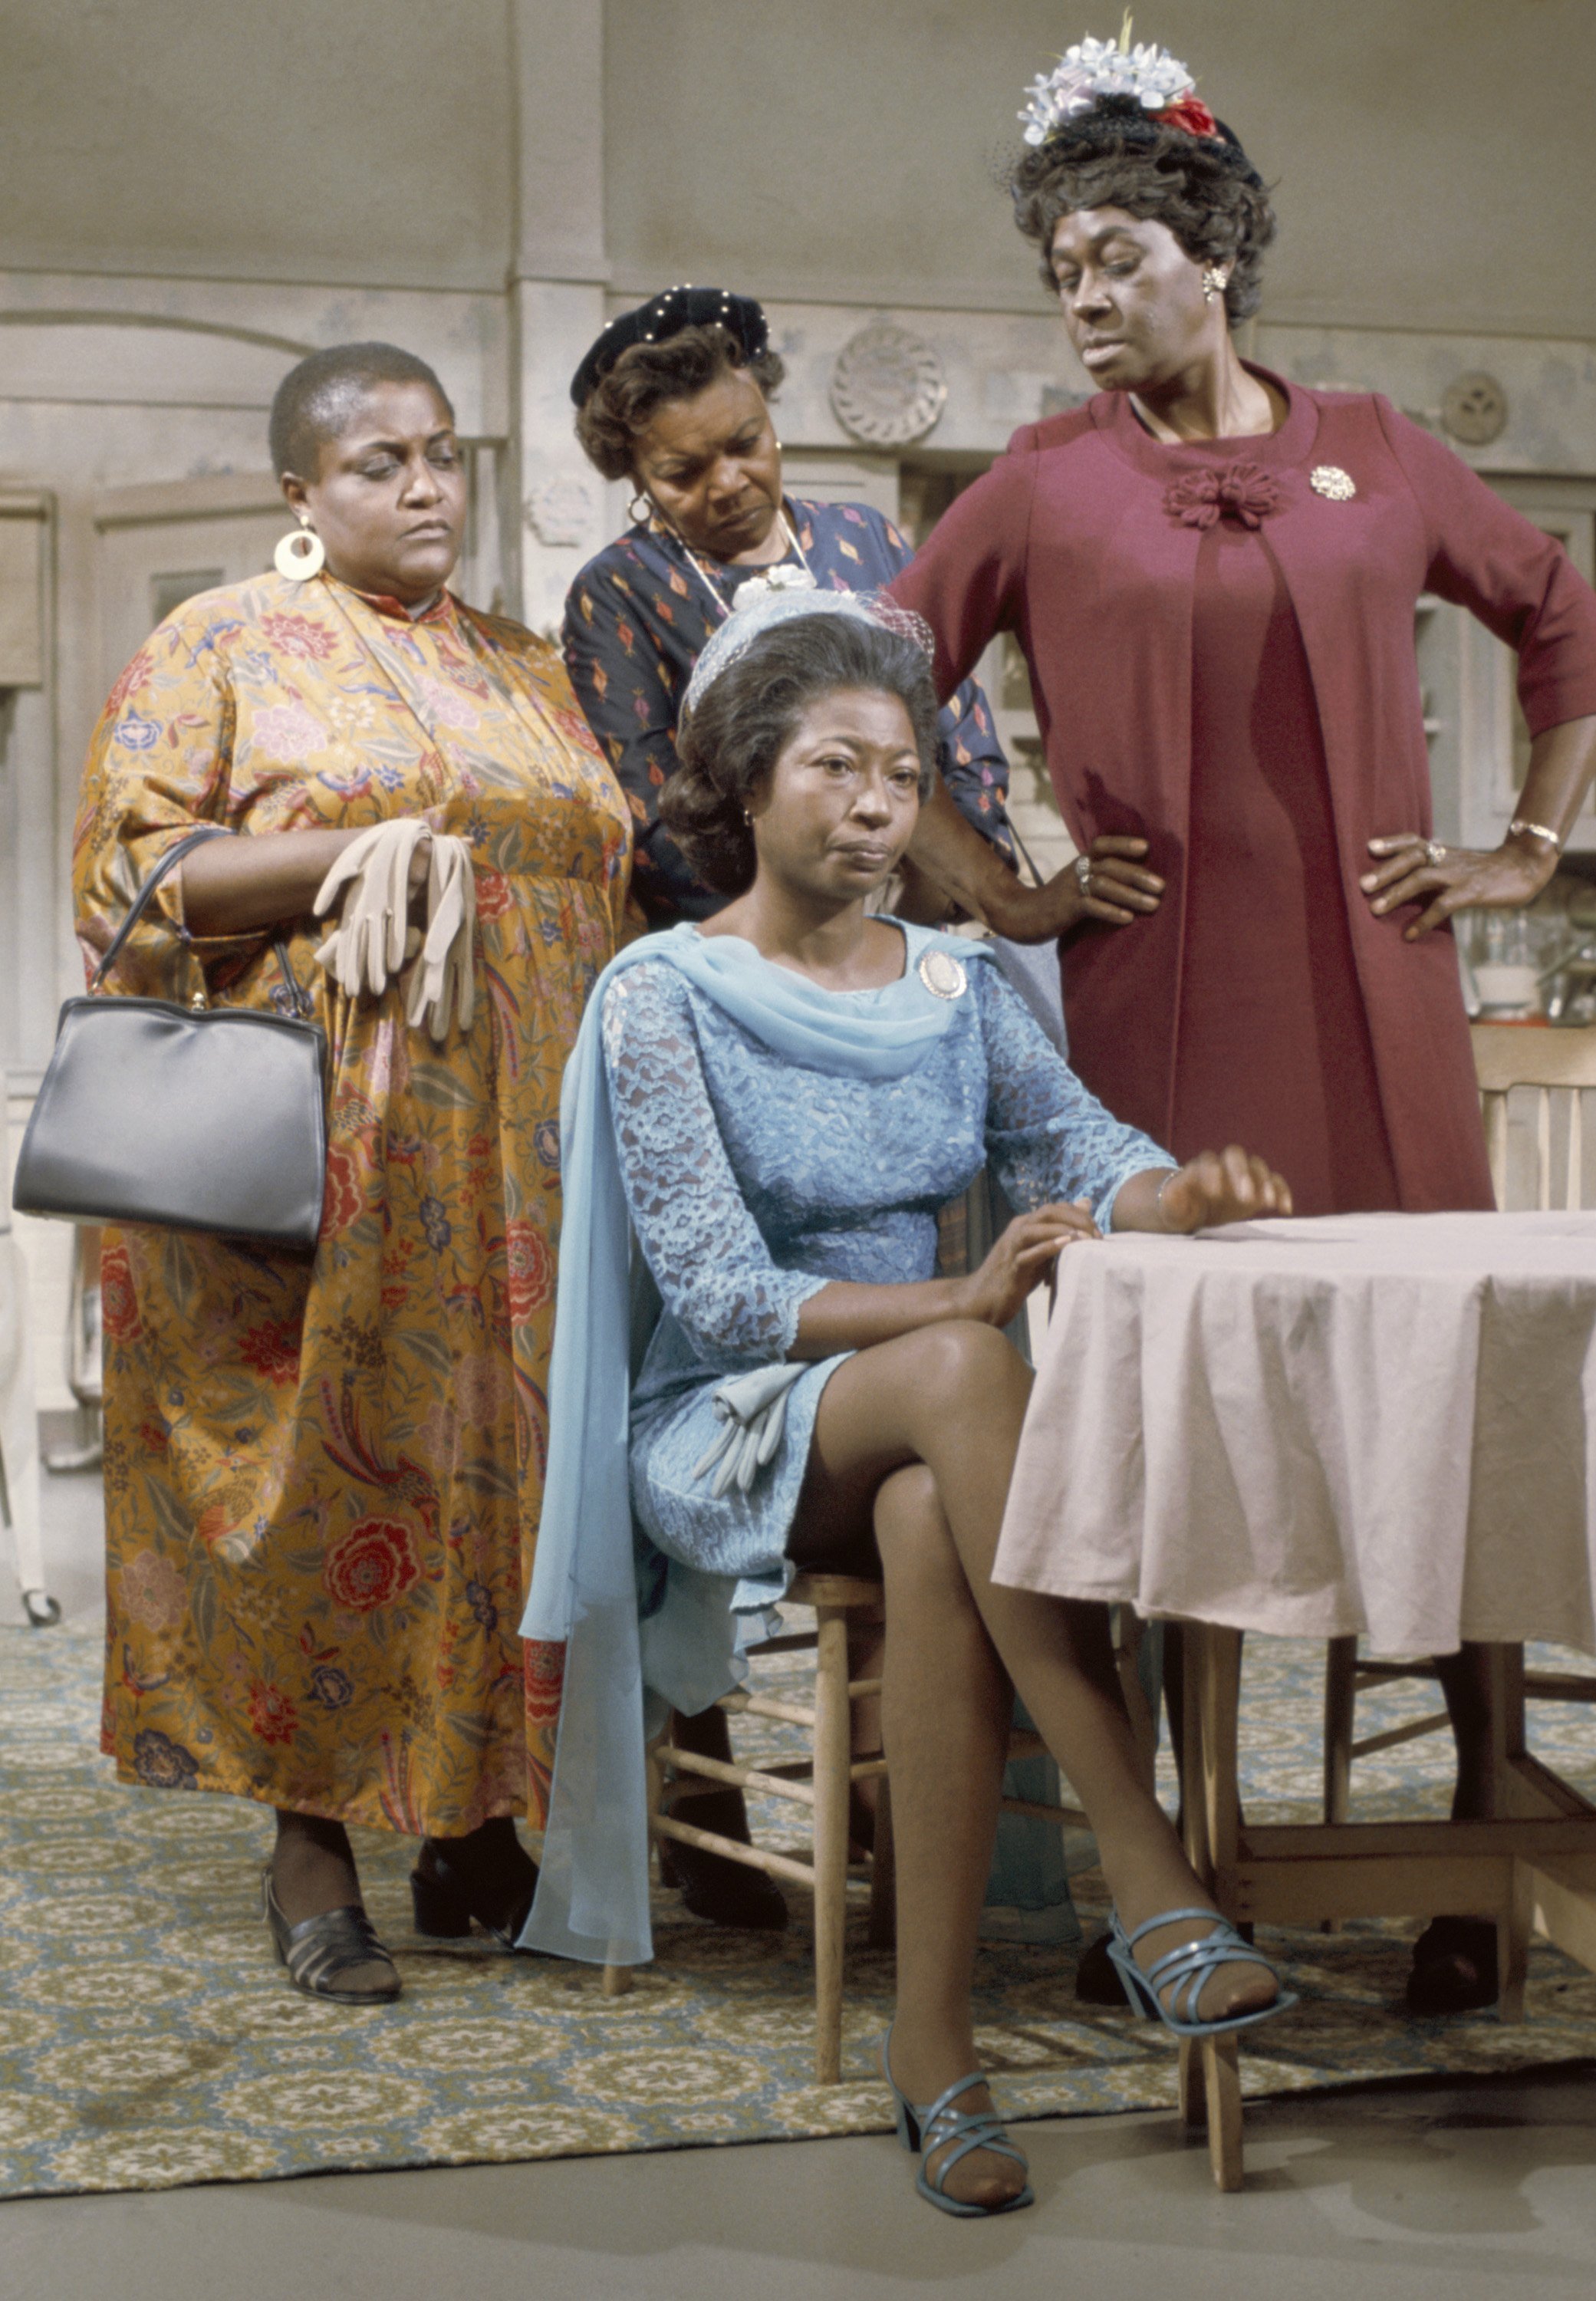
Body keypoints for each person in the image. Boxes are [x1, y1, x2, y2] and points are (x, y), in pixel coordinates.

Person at [890, 31, 1596, 2014]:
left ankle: (1477, 1824)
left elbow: (1561, 614)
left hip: (1383, 1003)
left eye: (1112, 255)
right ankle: (1177, 1860)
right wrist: (1003, 883)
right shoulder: (1038, 483)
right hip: (1153, 1026)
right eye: (1060, 273)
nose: (1085, 297)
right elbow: (868, 688)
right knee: (1161, 1416)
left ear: (1211, 249)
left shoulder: (1378, 442)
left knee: (1456, 1402)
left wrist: (1525, 842)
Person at [519, 588, 1296, 2217]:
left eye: (899, 775)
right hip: (730, 1423)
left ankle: (932, 2053)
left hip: (925, 1434)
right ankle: (1141, 1860)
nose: (876, 806)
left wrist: (1185, 1197)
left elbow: (1085, 1156)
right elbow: (729, 1299)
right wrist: (957, 1298)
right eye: (835, 768)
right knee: (965, 1370)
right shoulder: (658, 995)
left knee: (940, 1502)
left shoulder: (958, 986)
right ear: (747, 778)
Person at [74, 341, 631, 2002]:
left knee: (508, 1480)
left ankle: (474, 1820)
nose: (426, 488)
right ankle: (311, 1849)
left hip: (526, 1160)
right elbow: (129, 874)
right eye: (382, 461)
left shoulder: (527, 664)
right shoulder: (226, 642)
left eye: (445, 456)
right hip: (319, 1153)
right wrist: (352, 853)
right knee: (328, 1481)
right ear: (301, 493)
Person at [564, 284, 1107, 1933]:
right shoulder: (622, 599)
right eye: (680, 471)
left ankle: (919, 1832)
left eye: (741, 445)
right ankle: (1102, 1820)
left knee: (949, 1462)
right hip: (758, 1004)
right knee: (953, 1358)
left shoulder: (873, 534)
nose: (722, 484)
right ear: (637, 484)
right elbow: (664, 825)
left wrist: (988, 913)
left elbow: (955, 749)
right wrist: (824, 939)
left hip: (936, 1009)